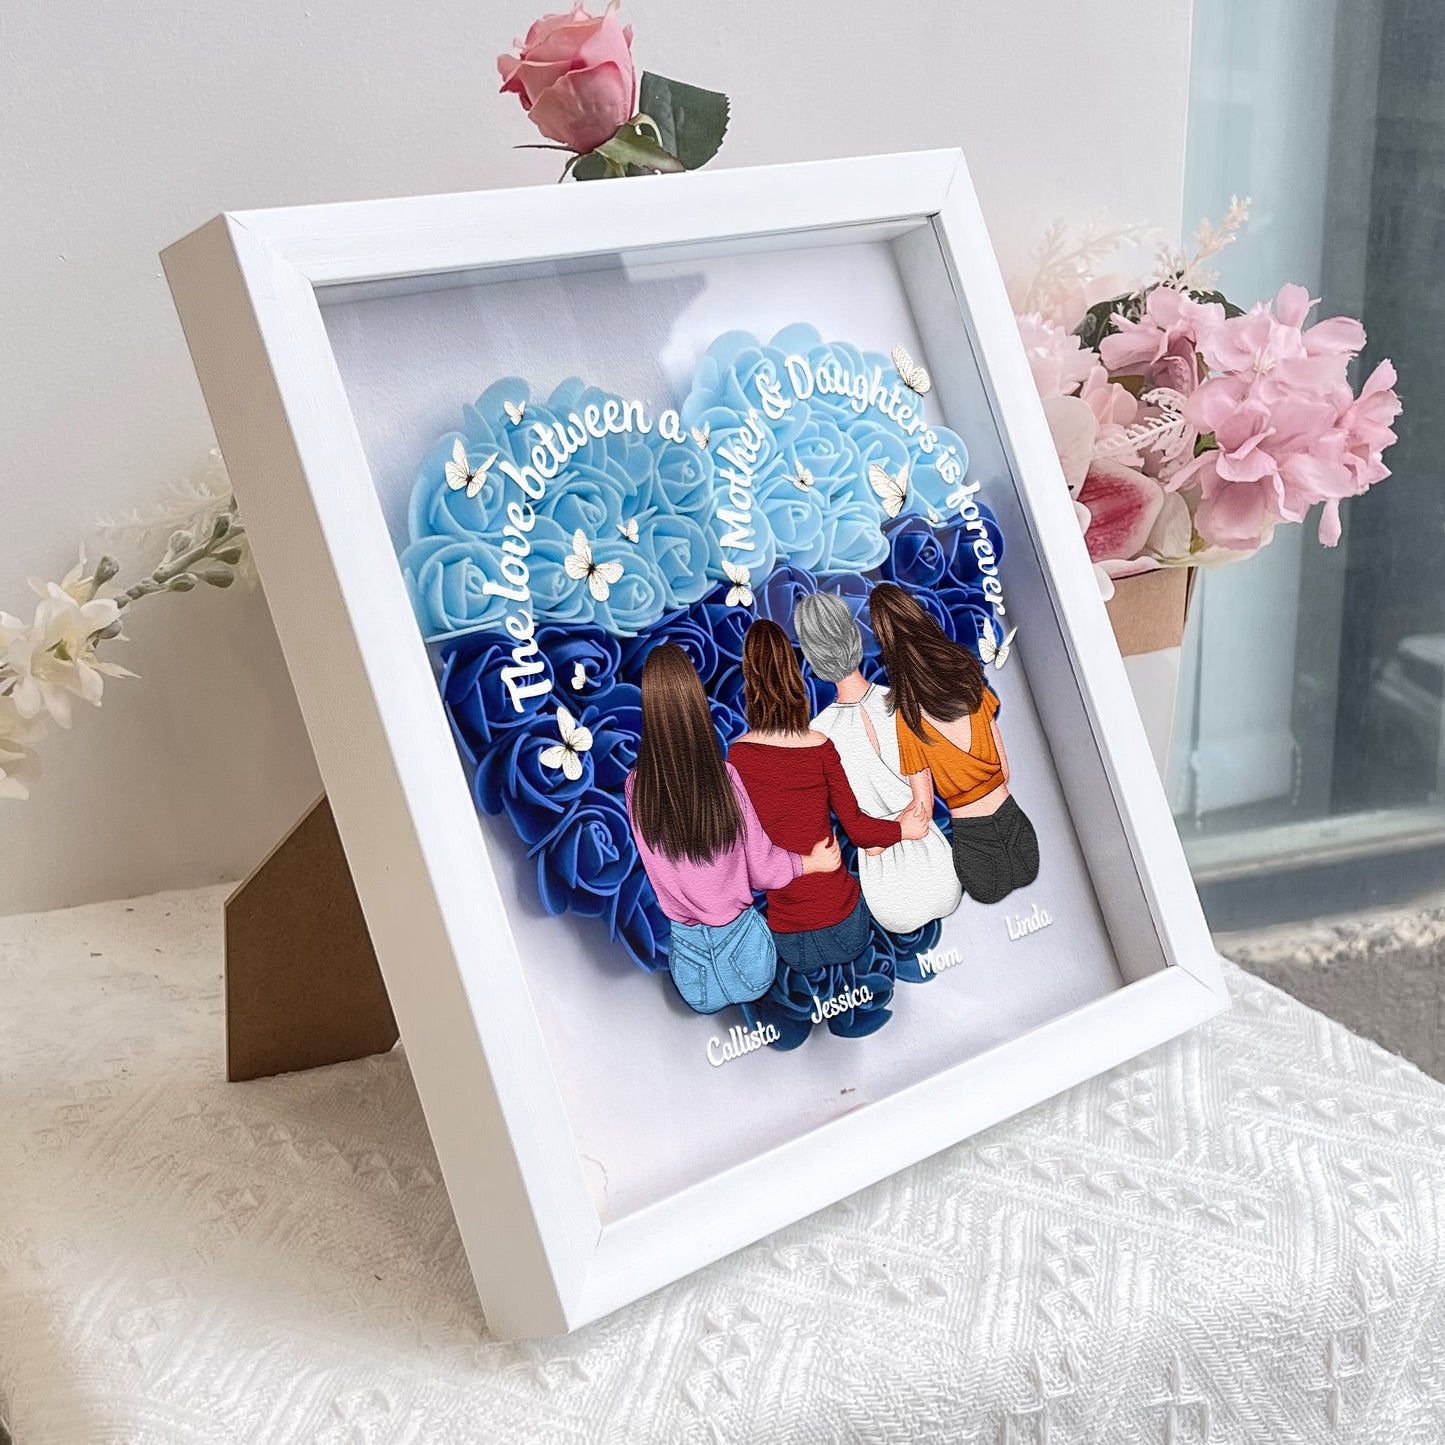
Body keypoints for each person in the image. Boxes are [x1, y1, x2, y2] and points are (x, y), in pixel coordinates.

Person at [626, 643, 840, 1015]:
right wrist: (811, 862)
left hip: (690, 967)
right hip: (748, 953)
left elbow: (660, 871)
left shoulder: (636, 788)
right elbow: (763, 869)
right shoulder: (724, 779)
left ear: (649, 708)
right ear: (697, 701)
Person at [728, 619, 929, 982]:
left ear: (749, 683)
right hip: (845, 923)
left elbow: (747, 855)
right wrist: (904, 830)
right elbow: (859, 830)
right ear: (796, 678)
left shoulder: (738, 757)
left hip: (790, 936)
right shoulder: (820, 746)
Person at [793, 591, 962, 933]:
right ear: (856, 638)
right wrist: (904, 827)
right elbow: (924, 804)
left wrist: (881, 836)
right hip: (938, 865)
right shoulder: (901, 701)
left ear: (813, 659)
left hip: (888, 891)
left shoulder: (817, 735)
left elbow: (863, 838)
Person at [868, 582, 1039, 905]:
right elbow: (1004, 771)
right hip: (1014, 822)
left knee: (985, 894)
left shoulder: (907, 717)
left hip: (973, 838)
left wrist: (881, 839)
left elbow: (923, 807)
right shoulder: (968, 678)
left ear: (884, 644)